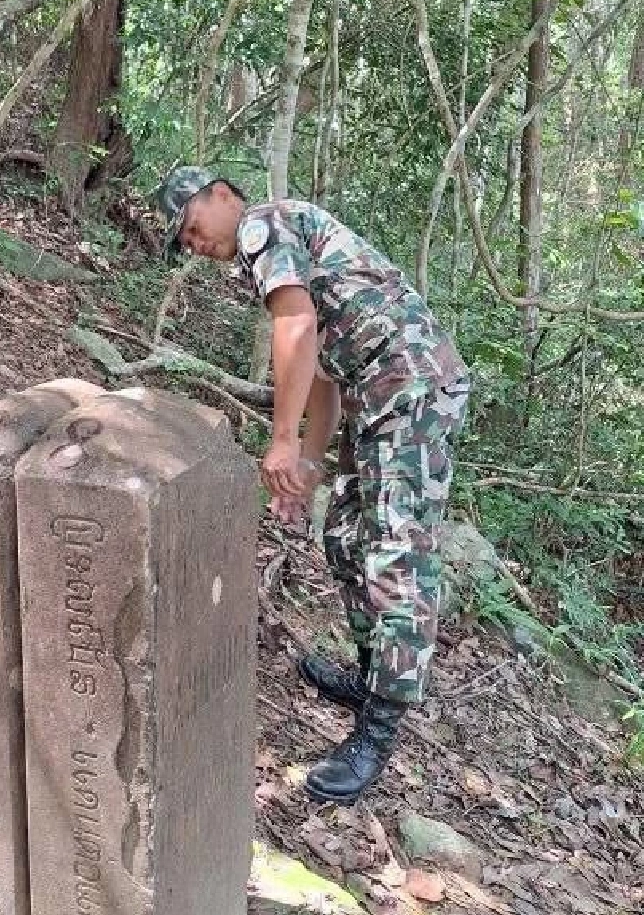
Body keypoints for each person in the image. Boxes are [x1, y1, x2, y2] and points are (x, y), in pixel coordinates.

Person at [155, 165, 470, 804]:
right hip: (373, 399)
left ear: (221, 195)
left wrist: (281, 442)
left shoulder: (265, 225)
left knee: (394, 555)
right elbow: (321, 365)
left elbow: (295, 329)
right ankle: (369, 673)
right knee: (345, 532)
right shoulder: (275, 254)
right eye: (184, 241)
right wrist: (310, 461)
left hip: (411, 392)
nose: (194, 243)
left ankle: (378, 730)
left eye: (191, 226)